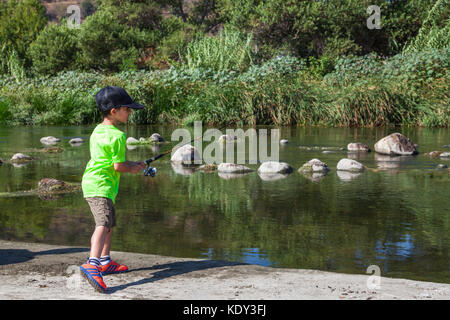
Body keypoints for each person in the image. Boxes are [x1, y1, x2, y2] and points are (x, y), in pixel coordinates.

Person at [80, 86, 147, 293]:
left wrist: (131, 163)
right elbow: (118, 166)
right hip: (101, 185)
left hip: (95, 183)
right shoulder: (118, 135)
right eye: (127, 109)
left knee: (109, 223)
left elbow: (108, 160)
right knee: (102, 224)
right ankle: (93, 263)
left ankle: (105, 261)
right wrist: (134, 168)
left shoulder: (97, 130)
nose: (130, 112)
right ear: (113, 111)